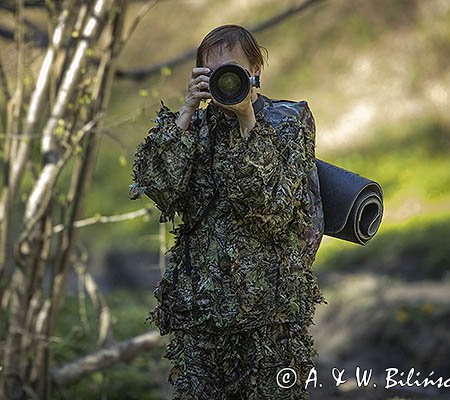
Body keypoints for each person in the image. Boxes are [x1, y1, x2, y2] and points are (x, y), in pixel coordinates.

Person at [129, 24, 326, 399]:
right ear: (200, 75)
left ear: (256, 72)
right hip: (199, 313)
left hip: (271, 315)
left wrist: (246, 119)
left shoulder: (287, 122)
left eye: (232, 70)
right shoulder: (194, 129)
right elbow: (156, 187)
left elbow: (271, 207)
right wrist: (186, 111)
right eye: (214, 71)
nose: (226, 80)